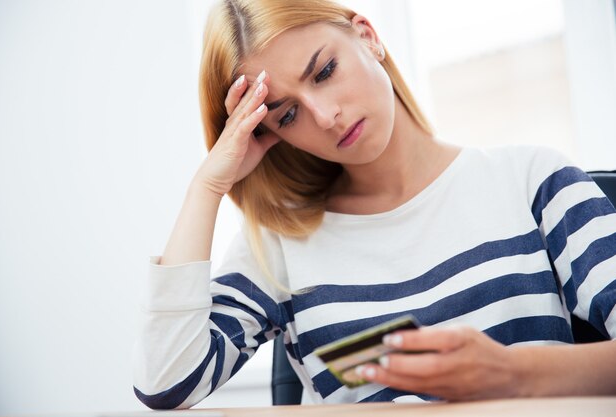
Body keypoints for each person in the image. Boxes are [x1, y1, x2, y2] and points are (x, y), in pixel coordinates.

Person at [132, 0, 616, 409]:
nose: (325, 117)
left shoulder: (531, 180)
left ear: (367, 36)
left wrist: (509, 373)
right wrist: (207, 186)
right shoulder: (281, 247)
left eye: (324, 71)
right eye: (289, 114)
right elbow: (167, 382)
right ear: (269, 134)